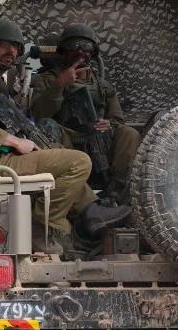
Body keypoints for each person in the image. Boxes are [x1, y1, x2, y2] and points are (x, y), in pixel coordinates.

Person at [0, 18, 129, 257]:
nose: (11, 52)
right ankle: (46, 224)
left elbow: (118, 119)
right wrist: (16, 142)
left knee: (56, 153)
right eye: (3, 45)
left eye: (15, 47)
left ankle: (90, 214)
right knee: (78, 162)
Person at [29, 23, 141, 203]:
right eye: (74, 47)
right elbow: (39, 114)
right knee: (46, 125)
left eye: (87, 48)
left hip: (98, 140)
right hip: (67, 140)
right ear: (64, 51)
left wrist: (109, 124)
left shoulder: (103, 86)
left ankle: (116, 193)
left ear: (93, 53)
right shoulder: (47, 80)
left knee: (129, 134)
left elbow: (117, 120)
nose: (81, 52)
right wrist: (60, 85)